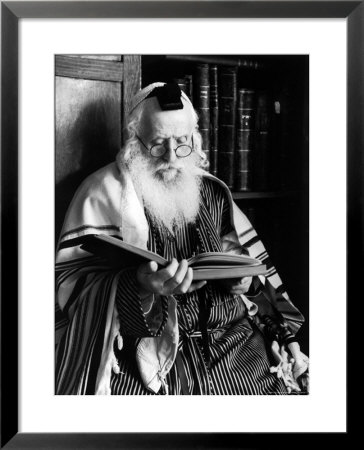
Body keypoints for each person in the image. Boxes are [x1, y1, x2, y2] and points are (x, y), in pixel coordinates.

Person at [55, 82, 308, 395]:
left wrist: (247, 283)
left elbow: (256, 277)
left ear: (195, 139)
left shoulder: (213, 191)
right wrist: (139, 286)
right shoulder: (101, 193)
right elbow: (70, 286)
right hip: (145, 359)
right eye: (158, 144)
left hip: (238, 350)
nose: (172, 156)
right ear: (135, 141)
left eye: (182, 142)